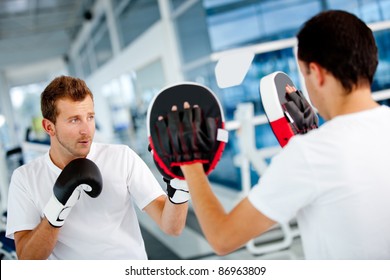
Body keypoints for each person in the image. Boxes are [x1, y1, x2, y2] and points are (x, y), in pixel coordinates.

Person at [157, 10, 390, 259]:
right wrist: (314, 134)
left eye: (305, 75)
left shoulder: (310, 154)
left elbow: (222, 238)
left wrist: (190, 161)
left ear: (317, 73)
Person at [6, 76, 188, 260]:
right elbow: (27, 259)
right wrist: (56, 209)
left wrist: (180, 182)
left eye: (90, 117)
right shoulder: (25, 179)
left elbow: (172, 227)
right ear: (49, 127)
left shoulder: (122, 157)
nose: (86, 129)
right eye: (74, 120)